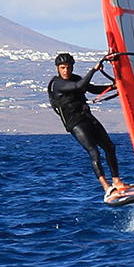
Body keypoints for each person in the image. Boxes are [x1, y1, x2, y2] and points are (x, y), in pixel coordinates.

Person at [48, 52, 128, 197]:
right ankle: (107, 187)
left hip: (87, 118)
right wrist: (93, 70)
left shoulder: (76, 78)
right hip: (75, 123)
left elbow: (92, 88)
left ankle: (117, 181)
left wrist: (115, 86)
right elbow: (79, 86)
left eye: (68, 68)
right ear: (58, 69)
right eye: (63, 68)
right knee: (94, 152)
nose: (66, 71)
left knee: (110, 147)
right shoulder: (57, 84)